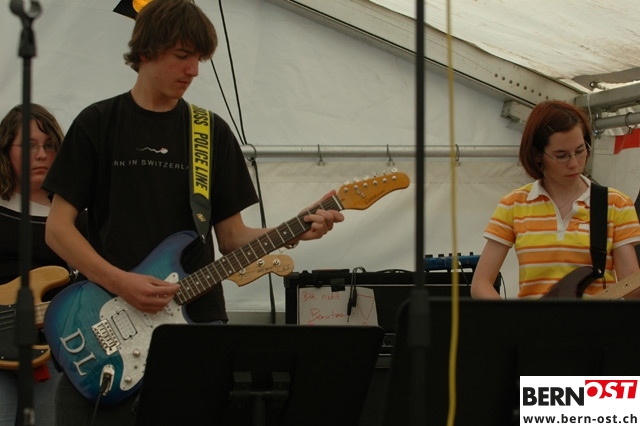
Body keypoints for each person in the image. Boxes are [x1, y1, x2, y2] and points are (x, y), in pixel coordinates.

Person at [42, 1, 344, 425]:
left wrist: (294, 230)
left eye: (199, 59)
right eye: (182, 56)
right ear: (145, 52)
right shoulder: (98, 122)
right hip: (103, 321)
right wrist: (120, 282)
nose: (193, 71)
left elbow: (233, 239)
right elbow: (58, 230)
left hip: (195, 322)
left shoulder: (211, 132)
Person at [471, 100, 640, 300]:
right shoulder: (513, 204)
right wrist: (512, 318)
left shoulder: (616, 204)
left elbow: (632, 289)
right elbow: (480, 284)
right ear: (537, 155)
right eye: (562, 156)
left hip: (596, 321)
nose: (574, 163)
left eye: (580, 150)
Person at [0, 104, 67, 426]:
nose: (41, 154)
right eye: (28, 145)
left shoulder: (75, 215)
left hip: (54, 348)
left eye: (49, 145)